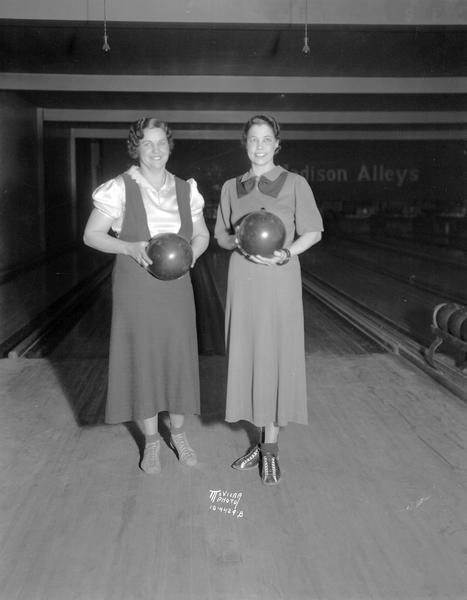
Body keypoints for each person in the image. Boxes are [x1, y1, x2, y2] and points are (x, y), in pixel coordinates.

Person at [83, 118, 210, 474]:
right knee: (142, 362)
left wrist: (192, 254)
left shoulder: (186, 189)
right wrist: (128, 246)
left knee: (177, 358)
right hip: (135, 287)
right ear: (136, 148)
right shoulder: (120, 188)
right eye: (147, 143)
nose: (155, 150)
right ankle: (152, 442)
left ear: (170, 147)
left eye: (161, 143)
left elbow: (201, 235)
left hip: (176, 288)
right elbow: (91, 235)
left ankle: (180, 434)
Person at [214, 114, 323, 485]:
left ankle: (270, 450)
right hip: (243, 281)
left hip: (279, 278)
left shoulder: (295, 183)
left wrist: (288, 253)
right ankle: (260, 443)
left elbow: (314, 231)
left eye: (266, 140)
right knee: (249, 359)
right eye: (253, 139)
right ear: (244, 143)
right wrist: (237, 239)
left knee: (275, 359)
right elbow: (222, 236)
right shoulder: (232, 186)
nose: (259, 146)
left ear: (277, 144)